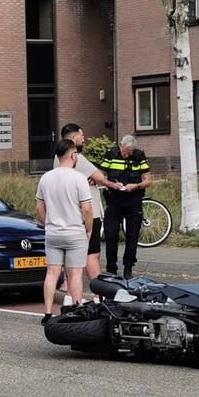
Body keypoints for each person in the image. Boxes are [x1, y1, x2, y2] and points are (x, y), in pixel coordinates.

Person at [54, 123, 123, 289]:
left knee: (73, 255)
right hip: (87, 214)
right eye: (82, 136)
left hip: (67, 213)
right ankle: (99, 290)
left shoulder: (57, 159)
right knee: (92, 254)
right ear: (72, 138)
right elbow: (100, 176)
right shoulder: (76, 157)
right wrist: (114, 184)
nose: (84, 139)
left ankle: (67, 287)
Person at [36, 138, 93, 324]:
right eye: (76, 153)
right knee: (75, 274)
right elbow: (87, 209)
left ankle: (47, 313)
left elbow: (39, 207)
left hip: (53, 232)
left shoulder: (46, 177)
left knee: (52, 273)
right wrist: (89, 230)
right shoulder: (79, 179)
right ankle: (76, 310)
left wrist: (47, 224)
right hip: (75, 232)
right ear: (71, 154)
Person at [99, 134, 152, 278]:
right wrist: (111, 184)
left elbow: (148, 180)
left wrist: (136, 185)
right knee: (110, 234)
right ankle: (111, 268)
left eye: (130, 152)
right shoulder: (111, 154)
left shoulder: (139, 155)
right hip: (114, 199)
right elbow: (100, 175)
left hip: (133, 199)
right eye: (125, 151)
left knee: (132, 234)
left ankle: (128, 267)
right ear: (121, 146)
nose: (127, 154)